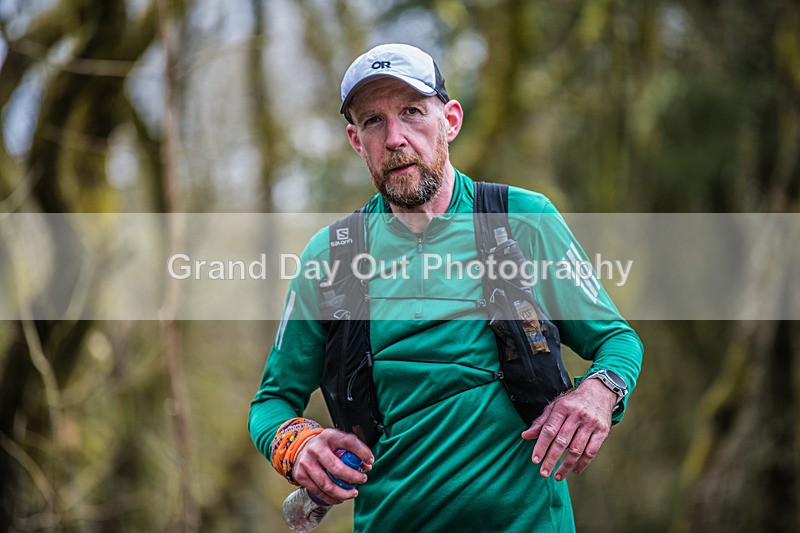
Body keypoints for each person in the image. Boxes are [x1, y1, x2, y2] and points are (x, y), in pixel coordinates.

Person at [249, 43, 643, 532]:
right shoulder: (330, 258)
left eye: (412, 112)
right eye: (373, 121)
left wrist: (599, 393)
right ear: (356, 140)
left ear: (451, 120)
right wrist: (297, 444)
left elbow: (617, 341)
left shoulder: (522, 219)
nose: (395, 138)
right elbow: (270, 404)